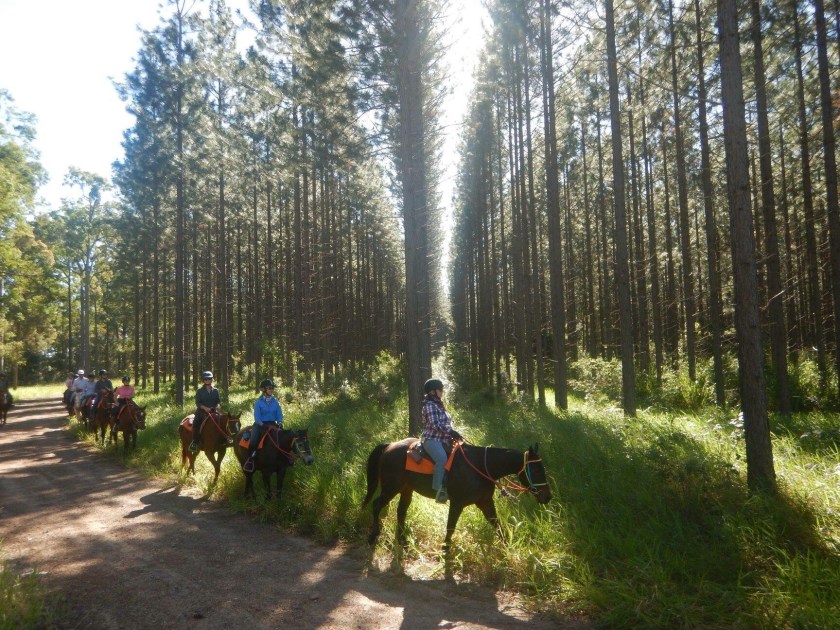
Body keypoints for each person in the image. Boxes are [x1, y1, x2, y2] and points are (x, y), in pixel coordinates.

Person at [420, 378, 462, 504]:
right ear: (433, 391)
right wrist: (450, 432)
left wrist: (453, 433)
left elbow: (447, 423)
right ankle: (438, 490)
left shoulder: (439, 405)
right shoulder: (429, 405)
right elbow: (435, 424)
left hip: (444, 439)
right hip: (432, 439)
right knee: (441, 459)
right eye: (440, 390)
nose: (442, 392)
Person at [244, 378, 284, 472]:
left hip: (273, 424)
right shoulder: (258, 402)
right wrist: (263, 425)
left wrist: (280, 422)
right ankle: (251, 459)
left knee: (283, 439)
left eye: (272, 388)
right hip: (260, 425)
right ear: (263, 390)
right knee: (254, 441)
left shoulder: (275, 402)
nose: (271, 390)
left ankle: (286, 458)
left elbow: (279, 414)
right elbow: (257, 417)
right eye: (269, 388)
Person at [189, 370, 222, 453]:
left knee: (223, 422)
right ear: (203, 380)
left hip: (214, 411)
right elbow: (198, 403)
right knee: (196, 424)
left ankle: (224, 441)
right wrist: (204, 408)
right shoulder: (199, 391)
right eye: (206, 379)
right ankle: (195, 443)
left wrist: (218, 405)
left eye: (209, 379)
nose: (207, 380)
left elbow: (218, 401)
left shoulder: (216, 390)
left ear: (212, 379)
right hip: (202, 412)